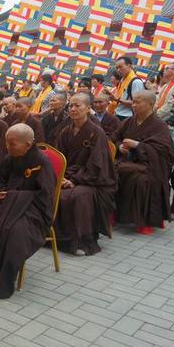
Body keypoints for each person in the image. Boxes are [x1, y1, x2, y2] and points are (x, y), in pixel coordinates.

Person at [0, 123, 55, 299]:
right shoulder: (10, 158)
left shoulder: (42, 162)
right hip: (5, 203)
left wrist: (14, 196)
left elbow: (45, 195)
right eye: (7, 143)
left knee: (14, 232)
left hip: (32, 210)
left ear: (28, 145)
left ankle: (3, 282)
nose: (8, 147)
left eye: (12, 144)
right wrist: (1, 193)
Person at [55, 93, 116, 256]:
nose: (73, 109)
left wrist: (74, 180)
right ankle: (54, 238)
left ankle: (81, 241)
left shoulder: (96, 133)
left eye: (77, 106)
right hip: (68, 176)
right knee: (49, 190)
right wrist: (62, 177)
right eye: (71, 106)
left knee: (78, 196)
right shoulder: (65, 132)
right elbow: (59, 158)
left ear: (88, 109)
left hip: (93, 181)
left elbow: (97, 165)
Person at [113, 90, 174, 234]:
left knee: (140, 180)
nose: (134, 105)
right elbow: (114, 137)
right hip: (127, 161)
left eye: (138, 102)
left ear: (150, 104)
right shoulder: (129, 121)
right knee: (113, 170)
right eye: (133, 102)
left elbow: (165, 152)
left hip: (150, 167)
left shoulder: (159, 125)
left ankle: (143, 221)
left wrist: (138, 145)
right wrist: (119, 146)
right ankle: (116, 214)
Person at [105, 57, 144, 121]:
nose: (118, 70)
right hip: (118, 113)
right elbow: (120, 98)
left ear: (129, 66)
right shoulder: (122, 80)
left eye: (120, 67)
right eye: (117, 68)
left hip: (128, 117)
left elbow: (137, 103)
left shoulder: (136, 82)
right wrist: (111, 96)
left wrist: (117, 99)